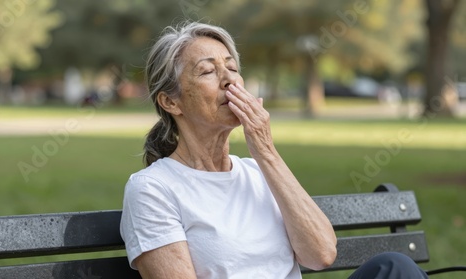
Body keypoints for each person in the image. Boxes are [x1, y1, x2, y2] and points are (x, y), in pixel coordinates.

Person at [120, 21, 428, 279]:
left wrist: (266, 153)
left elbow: (321, 254)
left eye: (231, 67)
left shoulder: (258, 172)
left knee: (394, 268)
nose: (230, 80)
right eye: (207, 71)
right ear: (170, 102)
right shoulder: (152, 190)